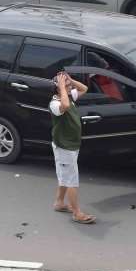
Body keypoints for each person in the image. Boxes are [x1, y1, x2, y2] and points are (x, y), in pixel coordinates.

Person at [49, 71, 96, 224]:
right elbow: (65, 106)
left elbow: (84, 89)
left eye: (69, 86)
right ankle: (77, 213)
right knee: (71, 179)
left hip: (71, 145)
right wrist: (63, 86)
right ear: (58, 89)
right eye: (67, 86)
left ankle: (59, 203)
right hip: (64, 146)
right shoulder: (55, 104)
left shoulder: (69, 95)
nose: (70, 88)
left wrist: (69, 80)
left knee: (65, 175)